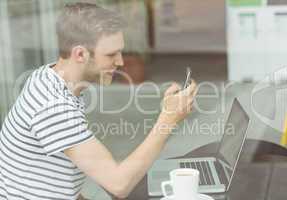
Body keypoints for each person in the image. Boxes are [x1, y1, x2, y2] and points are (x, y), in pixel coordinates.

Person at [0, 2, 198, 200]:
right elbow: (118, 185)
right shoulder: (53, 107)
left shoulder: (50, 77)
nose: (120, 62)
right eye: (111, 54)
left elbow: (51, 179)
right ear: (80, 54)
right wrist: (168, 120)